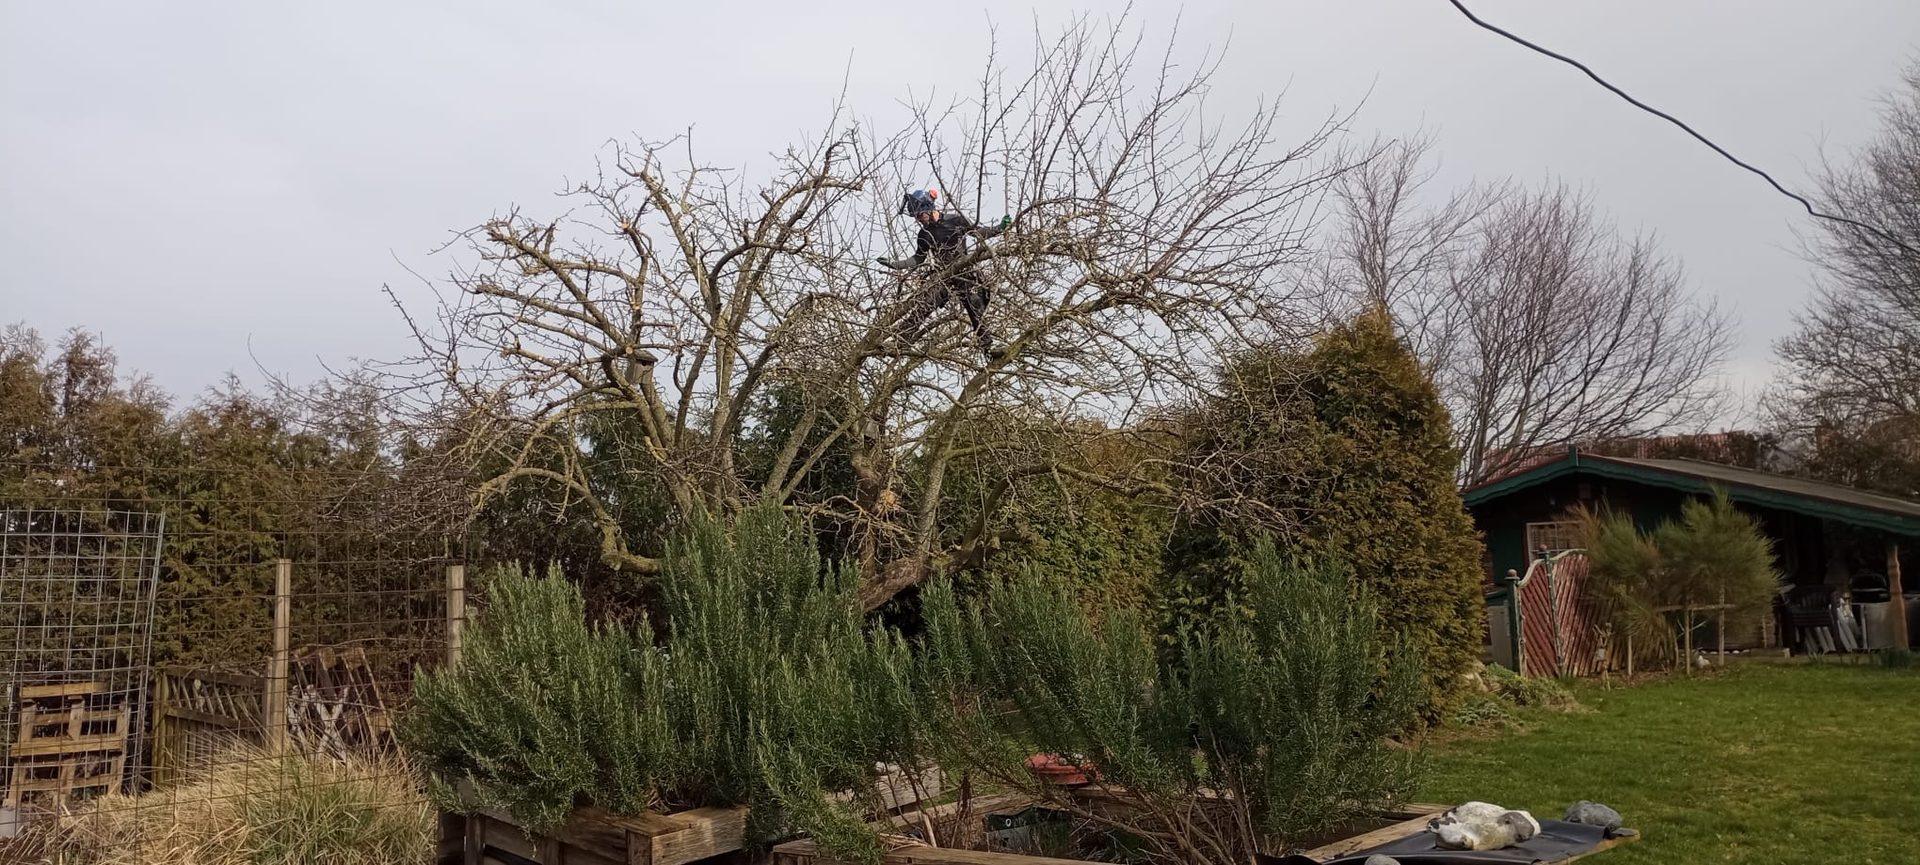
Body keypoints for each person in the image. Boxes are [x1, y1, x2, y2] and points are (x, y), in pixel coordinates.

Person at [876, 188, 1011, 361]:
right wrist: (896, 265)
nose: (919, 220)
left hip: (965, 273)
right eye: (917, 217)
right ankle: (898, 343)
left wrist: (1000, 228)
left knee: (975, 305)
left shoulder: (955, 220)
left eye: (920, 215)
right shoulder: (924, 234)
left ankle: (989, 349)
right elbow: (918, 258)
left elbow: (978, 232)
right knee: (923, 305)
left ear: (929, 208)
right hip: (944, 277)